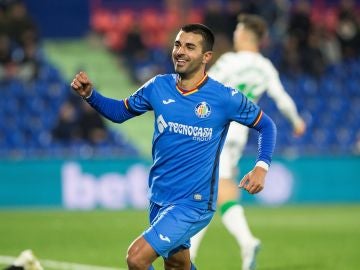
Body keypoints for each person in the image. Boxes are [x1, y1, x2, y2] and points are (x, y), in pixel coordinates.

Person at [71, 23, 277, 270]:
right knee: (178, 266)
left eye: (190, 47)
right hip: (159, 197)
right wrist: (90, 95)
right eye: (178, 44)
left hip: (194, 203)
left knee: (136, 258)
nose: (180, 51)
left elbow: (267, 126)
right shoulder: (158, 86)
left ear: (206, 57)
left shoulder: (224, 97)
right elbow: (119, 112)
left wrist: (261, 167)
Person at [190, 14, 306, 270]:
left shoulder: (230, 61)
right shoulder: (265, 67)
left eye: (237, 32)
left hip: (216, 131)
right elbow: (282, 98)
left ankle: (189, 258)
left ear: (243, 35)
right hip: (239, 134)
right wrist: (297, 121)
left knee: (200, 194)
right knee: (224, 192)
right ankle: (246, 242)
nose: (234, 36)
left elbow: (203, 86)